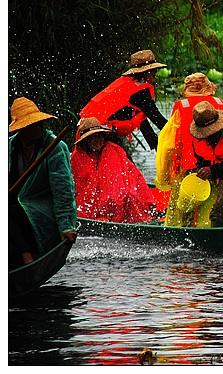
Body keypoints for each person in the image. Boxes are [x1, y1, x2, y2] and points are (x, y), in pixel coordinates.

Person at [156, 73, 223, 225]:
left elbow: (169, 145)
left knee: (180, 210)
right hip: (219, 166)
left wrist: (166, 175)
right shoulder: (219, 103)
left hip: (188, 165)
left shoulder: (181, 107)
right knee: (212, 206)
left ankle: (178, 235)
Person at [9, 97, 78, 266]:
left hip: (42, 213)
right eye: (31, 125)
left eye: (37, 123)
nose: (37, 127)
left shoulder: (55, 148)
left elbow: (63, 190)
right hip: (15, 215)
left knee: (9, 209)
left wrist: (66, 226)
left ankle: (28, 260)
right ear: (23, 128)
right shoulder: (10, 147)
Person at [70, 117, 156, 223]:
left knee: (128, 195)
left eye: (99, 135)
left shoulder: (114, 151)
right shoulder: (77, 157)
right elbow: (78, 189)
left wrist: (104, 212)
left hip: (117, 206)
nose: (97, 140)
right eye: (92, 137)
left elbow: (122, 185)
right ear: (86, 140)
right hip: (89, 209)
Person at [79, 49, 168, 150]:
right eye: (153, 70)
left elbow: (141, 120)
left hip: (92, 129)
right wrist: (178, 134)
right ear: (145, 72)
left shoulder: (130, 84)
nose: (155, 72)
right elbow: (158, 119)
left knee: (123, 161)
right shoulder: (140, 91)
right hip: (98, 132)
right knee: (122, 161)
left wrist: (155, 144)